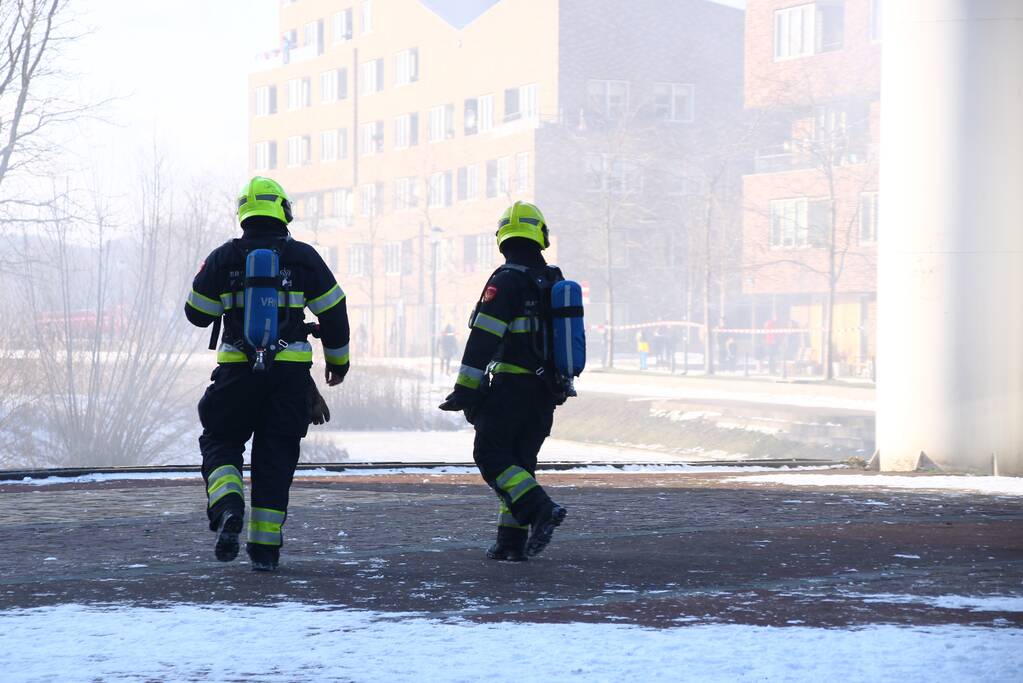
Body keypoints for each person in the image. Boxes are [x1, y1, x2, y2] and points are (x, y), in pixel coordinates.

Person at [184, 176, 351, 572]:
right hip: (289, 379)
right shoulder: (305, 258)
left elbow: (196, 313)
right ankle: (265, 551)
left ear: (243, 212)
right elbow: (335, 312)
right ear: (284, 211)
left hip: (236, 375)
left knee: (221, 440)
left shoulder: (224, 257)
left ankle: (228, 506)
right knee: (275, 460)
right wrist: (338, 364)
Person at [438, 201, 569, 562]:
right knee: (520, 463)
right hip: (546, 391)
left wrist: (465, 388)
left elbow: (484, 336)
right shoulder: (553, 282)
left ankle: (541, 509)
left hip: (512, 387)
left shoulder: (506, 281)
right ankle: (510, 543)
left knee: (491, 455)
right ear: (540, 236)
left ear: (502, 237)